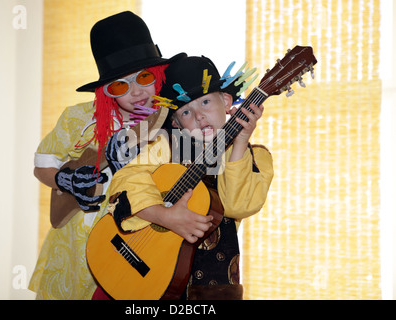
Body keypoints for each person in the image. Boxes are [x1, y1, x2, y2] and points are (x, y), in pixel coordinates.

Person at [28, 11, 185, 300]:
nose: (137, 92)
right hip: (73, 254)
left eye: (145, 77)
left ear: (159, 75)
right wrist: (65, 180)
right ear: (106, 90)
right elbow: (42, 163)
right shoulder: (78, 118)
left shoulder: (176, 120)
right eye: (121, 85)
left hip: (135, 254)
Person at [106, 56, 274, 299]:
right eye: (186, 111)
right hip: (154, 277)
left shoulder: (256, 157)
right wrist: (163, 215)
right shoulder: (167, 147)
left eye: (205, 102)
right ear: (175, 122)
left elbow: (237, 206)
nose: (199, 116)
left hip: (213, 290)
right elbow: (124, 180)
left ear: (226, 100)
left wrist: (239, 144)